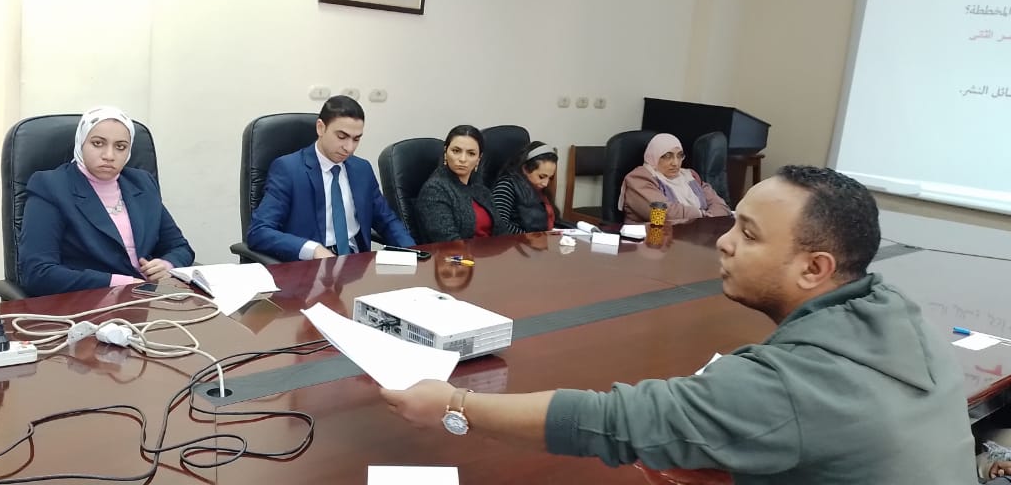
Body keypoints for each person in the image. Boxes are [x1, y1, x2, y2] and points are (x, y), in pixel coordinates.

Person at [382, 165, 977, 484]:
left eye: (748, 234)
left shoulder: (787, 385)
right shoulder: (896, 311)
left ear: (814, 268)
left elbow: (611, 422)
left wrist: (454, 404)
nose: (724, 242)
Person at [18, 107, 195, 297]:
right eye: (98, 143)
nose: (109, 155)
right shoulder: (52, 186)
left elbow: (180, 247)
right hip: (86, 301)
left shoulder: (142, 183)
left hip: (146, 300)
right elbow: (38, 273)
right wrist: (119, 283)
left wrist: (167, 265)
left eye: (120, 147)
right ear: (81, 143)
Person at [246, 96, 414, 262]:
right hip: (312, 266)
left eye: (356, 139)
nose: (349, 148)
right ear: (321, 128)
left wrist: (414, 253)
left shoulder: (362, 169)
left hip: (357, 265)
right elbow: (259, 231)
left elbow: (387, 221)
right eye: (341, 137)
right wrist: (313, 250)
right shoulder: (288, 169)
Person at [416, 125, 506, 243]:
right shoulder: (434, 190)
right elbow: (449, 242)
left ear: (479, 159)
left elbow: (502, 232)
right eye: (456, 151)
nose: (463, 159)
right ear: (445, 153)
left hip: (492, 252)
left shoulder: (480, 189)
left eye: (471, 153)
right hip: (459, 254)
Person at [621, 133, 730, 224]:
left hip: (692, 235)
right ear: (654, 155)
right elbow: (663, 213)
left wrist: (707, 217)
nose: (675, 163)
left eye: (679, 155)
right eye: (667, 156)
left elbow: (721, 205)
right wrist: (703, 215)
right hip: (652, 238)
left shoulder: (690, 176)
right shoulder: (639, 178)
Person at [491, 141, 562, 234]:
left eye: (550, 178)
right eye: (541, 176)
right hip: (518, 241)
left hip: (542, 239)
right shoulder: (507, 185)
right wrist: (530, 237)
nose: (546, 183)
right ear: (525, 169)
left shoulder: (540, 190)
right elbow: (500, 225)